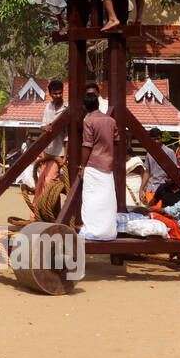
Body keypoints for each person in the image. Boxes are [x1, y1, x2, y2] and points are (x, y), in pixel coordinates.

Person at [77, 92, 118, 240]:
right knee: (107, 199)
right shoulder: (111, 121)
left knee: (91, 199)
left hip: (93, 164)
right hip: (108, 165)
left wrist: (82, 166)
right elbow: (117, 140)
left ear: (84, 107)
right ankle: (108, 231)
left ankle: (92, 231)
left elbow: (87, 145)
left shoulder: (88, 121)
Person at [36, 80, 67, 203]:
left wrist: (65, 156)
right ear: (50, 94)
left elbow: (67, 135)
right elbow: (42, 124)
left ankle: (51, 212)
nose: (58, 96)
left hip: (59, 152)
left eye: (60, 93)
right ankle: (40, 213)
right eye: (55, 93)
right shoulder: (48, 106)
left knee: (50, 182)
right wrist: (44, 127)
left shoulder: (67, 108)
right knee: (41, 183)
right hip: (47, 150)